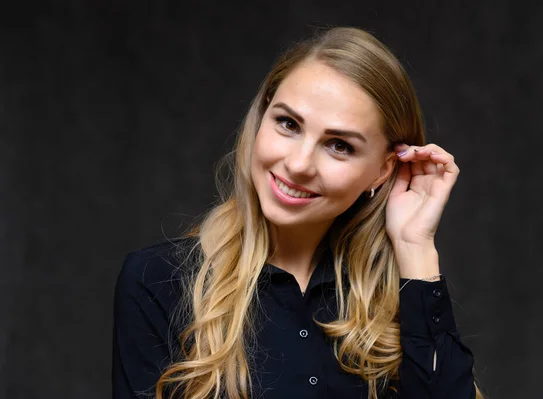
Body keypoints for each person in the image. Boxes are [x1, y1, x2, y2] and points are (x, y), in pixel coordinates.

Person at [112, 26, 484, 399]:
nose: (300, 164)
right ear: (263, 115)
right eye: (288, 124)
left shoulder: (404, 302)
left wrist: (414, 245)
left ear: (384, 170)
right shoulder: (158, 282)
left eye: (339, 145)